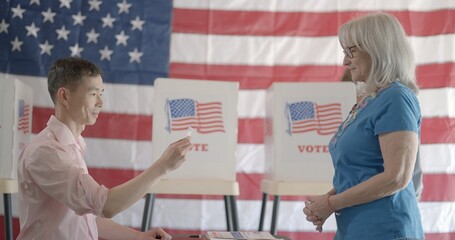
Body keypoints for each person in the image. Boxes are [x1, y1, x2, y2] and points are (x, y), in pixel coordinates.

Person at [17, 57, 193, 240]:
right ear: (64, 96)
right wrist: (162, 166)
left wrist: (138, 237)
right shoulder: (46, 151)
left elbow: (86, 218)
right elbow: (106, 205)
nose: (101, 103)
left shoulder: (71, 145)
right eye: (93, 94)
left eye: (101, 93)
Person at [303, 13, 424, 239]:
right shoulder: (370, 100)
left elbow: (396, 177)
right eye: (344, 52)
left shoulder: (396, 97)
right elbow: (362, 174)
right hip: (356, 229)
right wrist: (326, 202)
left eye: (352, 51)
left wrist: (331, 203)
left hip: (386, 230)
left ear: (378, 49)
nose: (344, 61)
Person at [341, 68, 423, 201]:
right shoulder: (352, 124)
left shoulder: (395, 103)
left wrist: (332, 203)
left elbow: (404, 176)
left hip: (389, 207)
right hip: (355, 208)